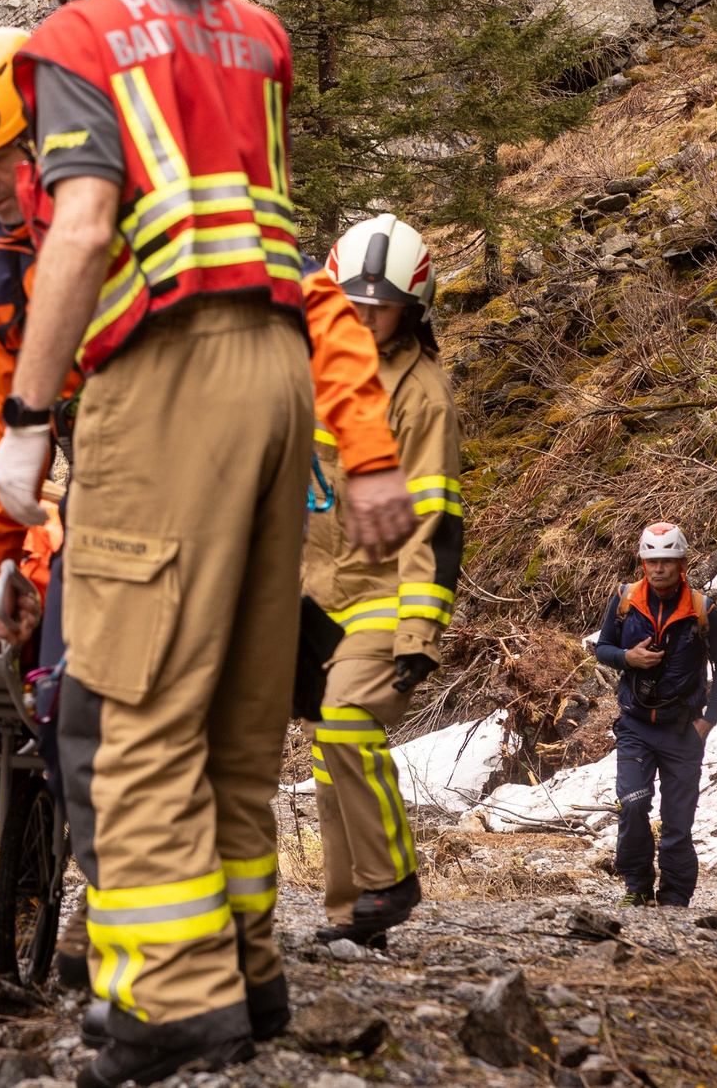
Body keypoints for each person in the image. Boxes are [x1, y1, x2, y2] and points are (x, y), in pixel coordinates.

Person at [0, 0, 412, 1087]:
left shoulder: (74, 45)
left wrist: (29, 416)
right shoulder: (256, 36)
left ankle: (168, 1001)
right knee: (232, 689)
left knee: (126, 700)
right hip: (280, 369)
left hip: (165, 378)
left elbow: (85, 225)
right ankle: (245, 964)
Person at [304, 214, 465, 947]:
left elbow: (434, 518)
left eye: (382, 304)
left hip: (383, 595)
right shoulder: (309, 367)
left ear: (414, 306)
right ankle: (351, 917)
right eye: (353, 301)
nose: (365, 316)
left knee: (345, 723)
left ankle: (392, 879)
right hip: (311, 597)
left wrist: (417, 631)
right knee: (326, 755)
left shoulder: (420, 394)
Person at [587, 523, 717, 908]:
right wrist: (627, 657)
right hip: (635, 725)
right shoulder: (624, 601)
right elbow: (602, 648)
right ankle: (636, 887)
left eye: (666, 561)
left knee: (677, 823)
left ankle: (674, 900)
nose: (658, 569)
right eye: (651, 560)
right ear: (643, 562)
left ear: (681, 563)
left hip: (683, 730)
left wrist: (709, 720)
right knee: (633, 804)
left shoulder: (702, 609)